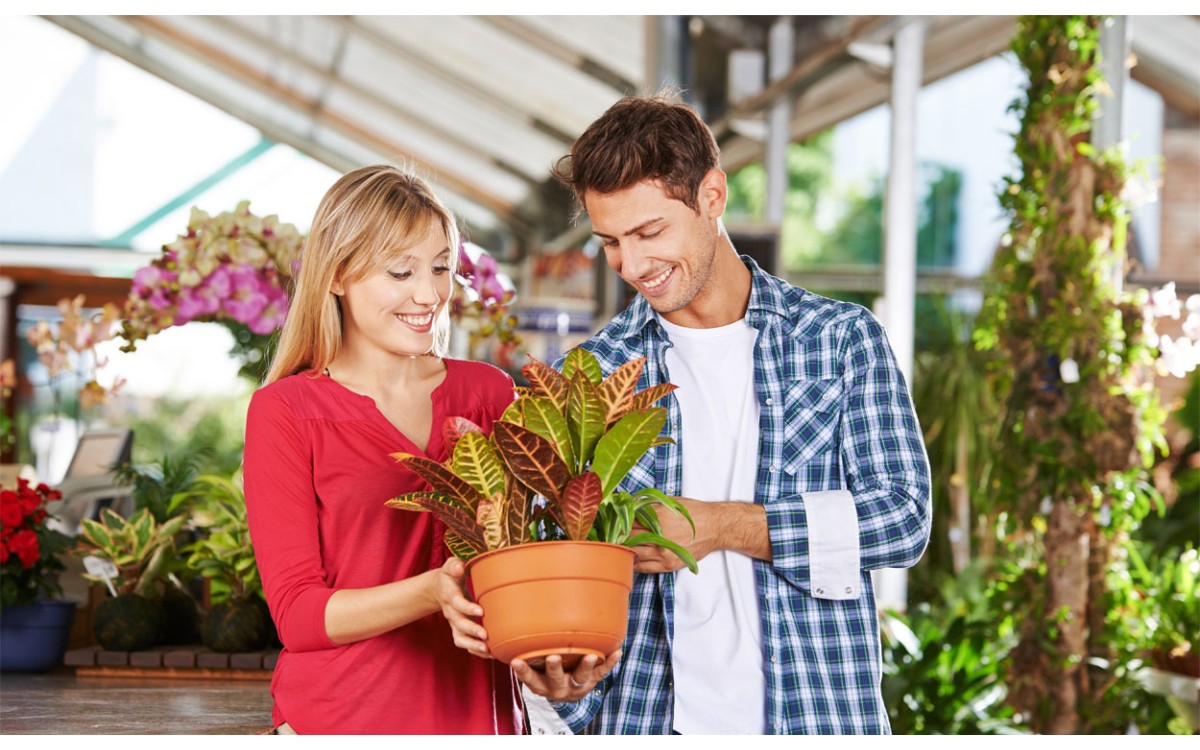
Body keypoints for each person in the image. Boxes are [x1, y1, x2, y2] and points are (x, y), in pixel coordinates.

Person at [456, 93, 932, 734]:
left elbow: (902, 521)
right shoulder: (591, 376)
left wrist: (721, 525)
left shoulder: (839, 340)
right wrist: (563, 681)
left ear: (712, 195)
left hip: (819, 718)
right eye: (611, 242)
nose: (633, 265)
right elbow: (568, 574)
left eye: (650, 232)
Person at [242, 165, 523, 734]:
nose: (430, 294)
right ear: (338, 275)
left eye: (441, 268)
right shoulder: (286, 412)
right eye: (402, 271)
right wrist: (431, 592)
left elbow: (529, 559)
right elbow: (298, 615)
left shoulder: (489, 394)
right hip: (338, 720)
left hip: (477, 721)